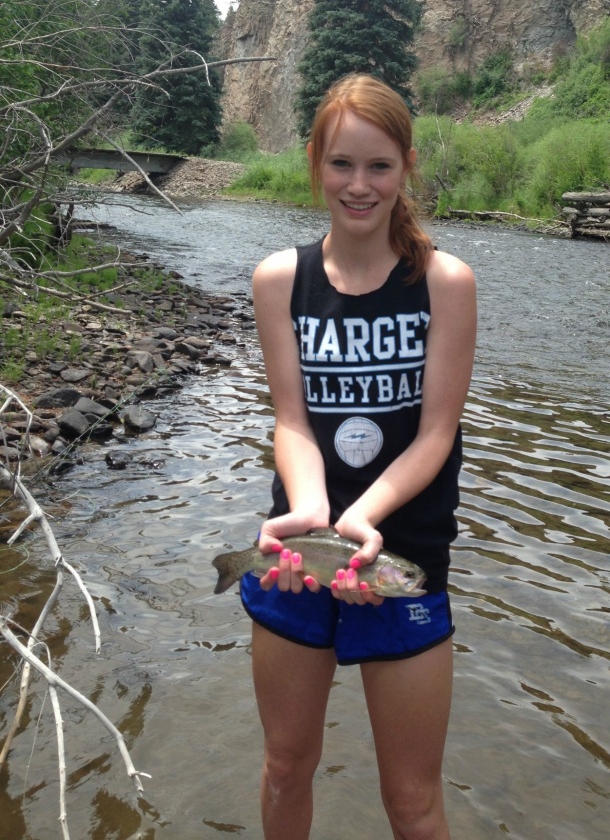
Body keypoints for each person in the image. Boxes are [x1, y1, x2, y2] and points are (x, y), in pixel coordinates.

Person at [241, 73, 477, 840]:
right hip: (297, 552)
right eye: (341, 163)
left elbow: (436, 433)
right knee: (284, 767)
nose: (359, 184)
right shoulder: (280, 280)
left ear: (407, 165)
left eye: (378, 165)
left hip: (400, 551)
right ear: (314, 162)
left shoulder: (445, 283)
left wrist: (361, 519)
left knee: (412, 803)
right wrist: (313, 513)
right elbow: (292, 420)